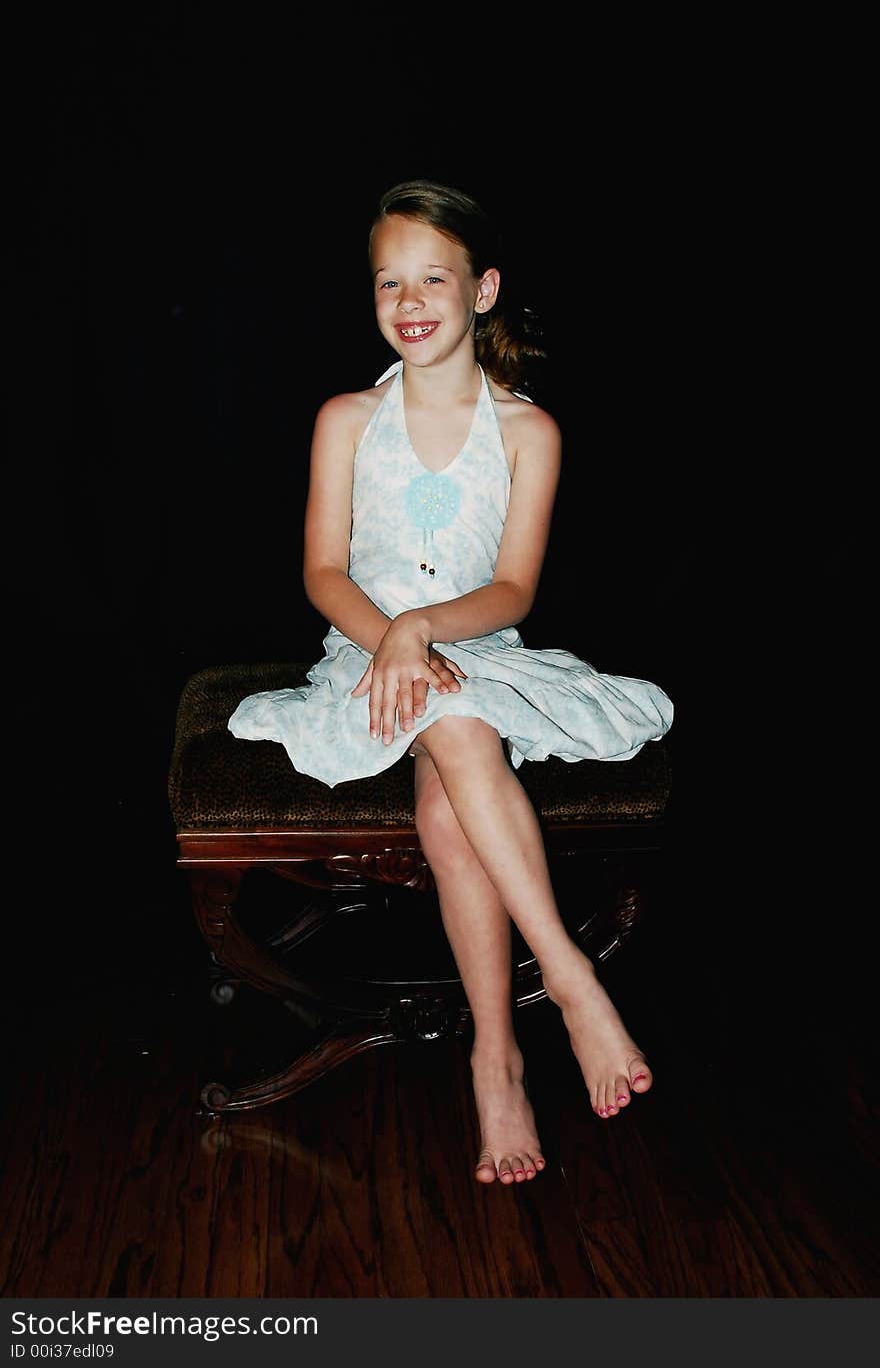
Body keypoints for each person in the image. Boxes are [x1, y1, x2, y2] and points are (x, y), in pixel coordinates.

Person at [229, 178, 674, 1186]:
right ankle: (565, 982)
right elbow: (321, 571)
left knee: (450, 785)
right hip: (363, 651)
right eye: (391, 281)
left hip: (479, 649)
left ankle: (496, 1055)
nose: (411, 298)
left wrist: (428, 631)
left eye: (434, 276)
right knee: (456, 726)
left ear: (482, 291)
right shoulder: (345, 417)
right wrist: (392, 638)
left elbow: (513, 584)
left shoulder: (528, 432)